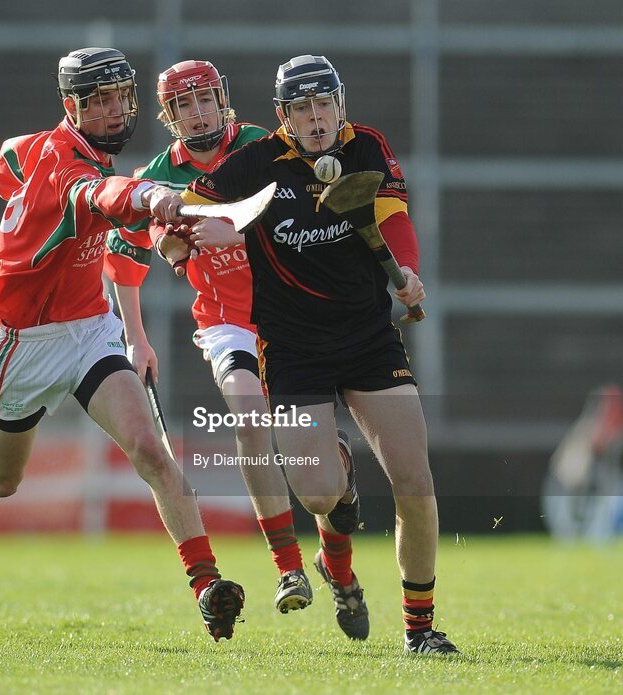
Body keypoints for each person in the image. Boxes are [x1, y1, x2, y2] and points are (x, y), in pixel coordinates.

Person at [0, 47, 245, 643]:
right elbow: (104, 195)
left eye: (122, 97)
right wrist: (152, 199)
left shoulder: (42, 147)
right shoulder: (70, 167)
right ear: (72, 106)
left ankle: (207, 584)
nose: (117, 111)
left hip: (90, 330)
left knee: (151, 450)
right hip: (26, 343)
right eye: (101, 101)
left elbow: (5, 161)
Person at [157, 55, 459, 654]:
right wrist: (191, 233)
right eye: (302, 108)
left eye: (324, 104)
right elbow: (180, 218)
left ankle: (420, 628)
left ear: (340, 104)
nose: (316, 117)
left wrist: (408, 274)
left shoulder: (367, 146)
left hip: (370, 339)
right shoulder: (254, 163)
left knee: (416, 484)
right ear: (282, 117)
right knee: (319, 496)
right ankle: (337, 488)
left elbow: (392, 217)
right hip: (294, 349)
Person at [104, 60, 362, 628]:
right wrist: (137, 341)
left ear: (225, 101)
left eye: (206, 100)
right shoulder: (156, 178)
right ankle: (289, 568)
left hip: (289, 317)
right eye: (185, 105)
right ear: (169, 116)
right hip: (225, 319)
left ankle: (337, 566)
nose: (199, 113)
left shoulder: (264, 149)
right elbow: (124, 260)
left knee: (315, 472)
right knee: (248, 415)